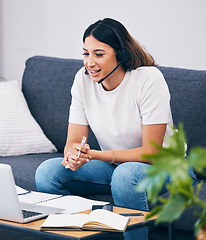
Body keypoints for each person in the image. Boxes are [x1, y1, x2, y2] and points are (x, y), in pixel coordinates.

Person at [35, 18, 197, 240]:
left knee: (125, 175)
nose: (89, 62)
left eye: (99, 54)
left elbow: (150, 153)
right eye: (86, 53)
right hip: (115, 166)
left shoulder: (148, 78)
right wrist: (74, 154)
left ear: (121, 54)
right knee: (48, 172)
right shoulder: (82, 80)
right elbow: (72, 141)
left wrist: (93, 154)